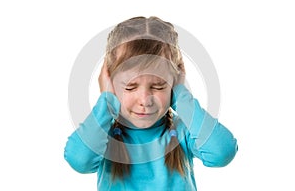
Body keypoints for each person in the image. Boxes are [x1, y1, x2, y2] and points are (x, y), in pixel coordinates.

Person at [64, 16, 238, 191]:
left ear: (174, 82)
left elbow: (222, 152)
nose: (145, 100)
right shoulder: (103, 135)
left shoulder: (182, 131)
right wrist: (107, 100)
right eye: (130, 87)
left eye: (158, 86)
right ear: (109, 82)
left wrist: (182, 96)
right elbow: (79, 160)